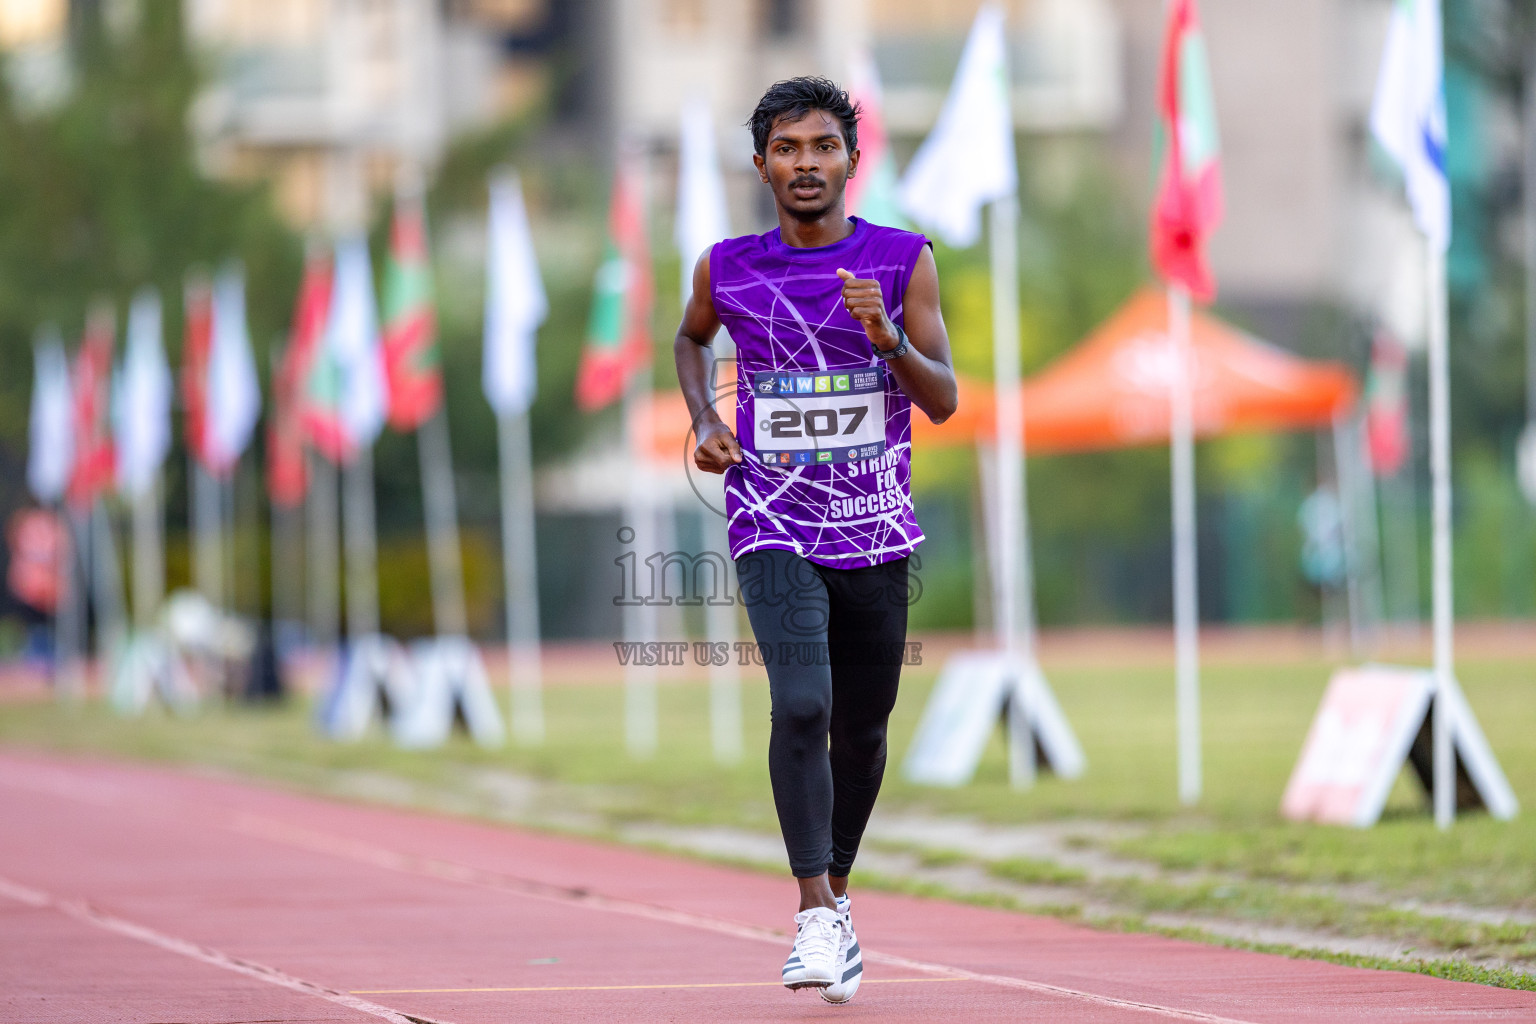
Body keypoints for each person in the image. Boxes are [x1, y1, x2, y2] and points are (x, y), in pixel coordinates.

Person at [673, 75, 957, 1003]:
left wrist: (887, 342)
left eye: (822, 147)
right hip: (772, 521)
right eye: (787, 150)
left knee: (863, 729)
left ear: (850, 160)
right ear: (761, 164)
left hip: (875, 527)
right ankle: (813, 917)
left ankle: (835, 893)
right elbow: (691, 339)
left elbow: (944, 400)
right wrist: (704, 422)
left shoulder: (903, 259)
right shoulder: (726, 266)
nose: (806, 164)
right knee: (800, 705)